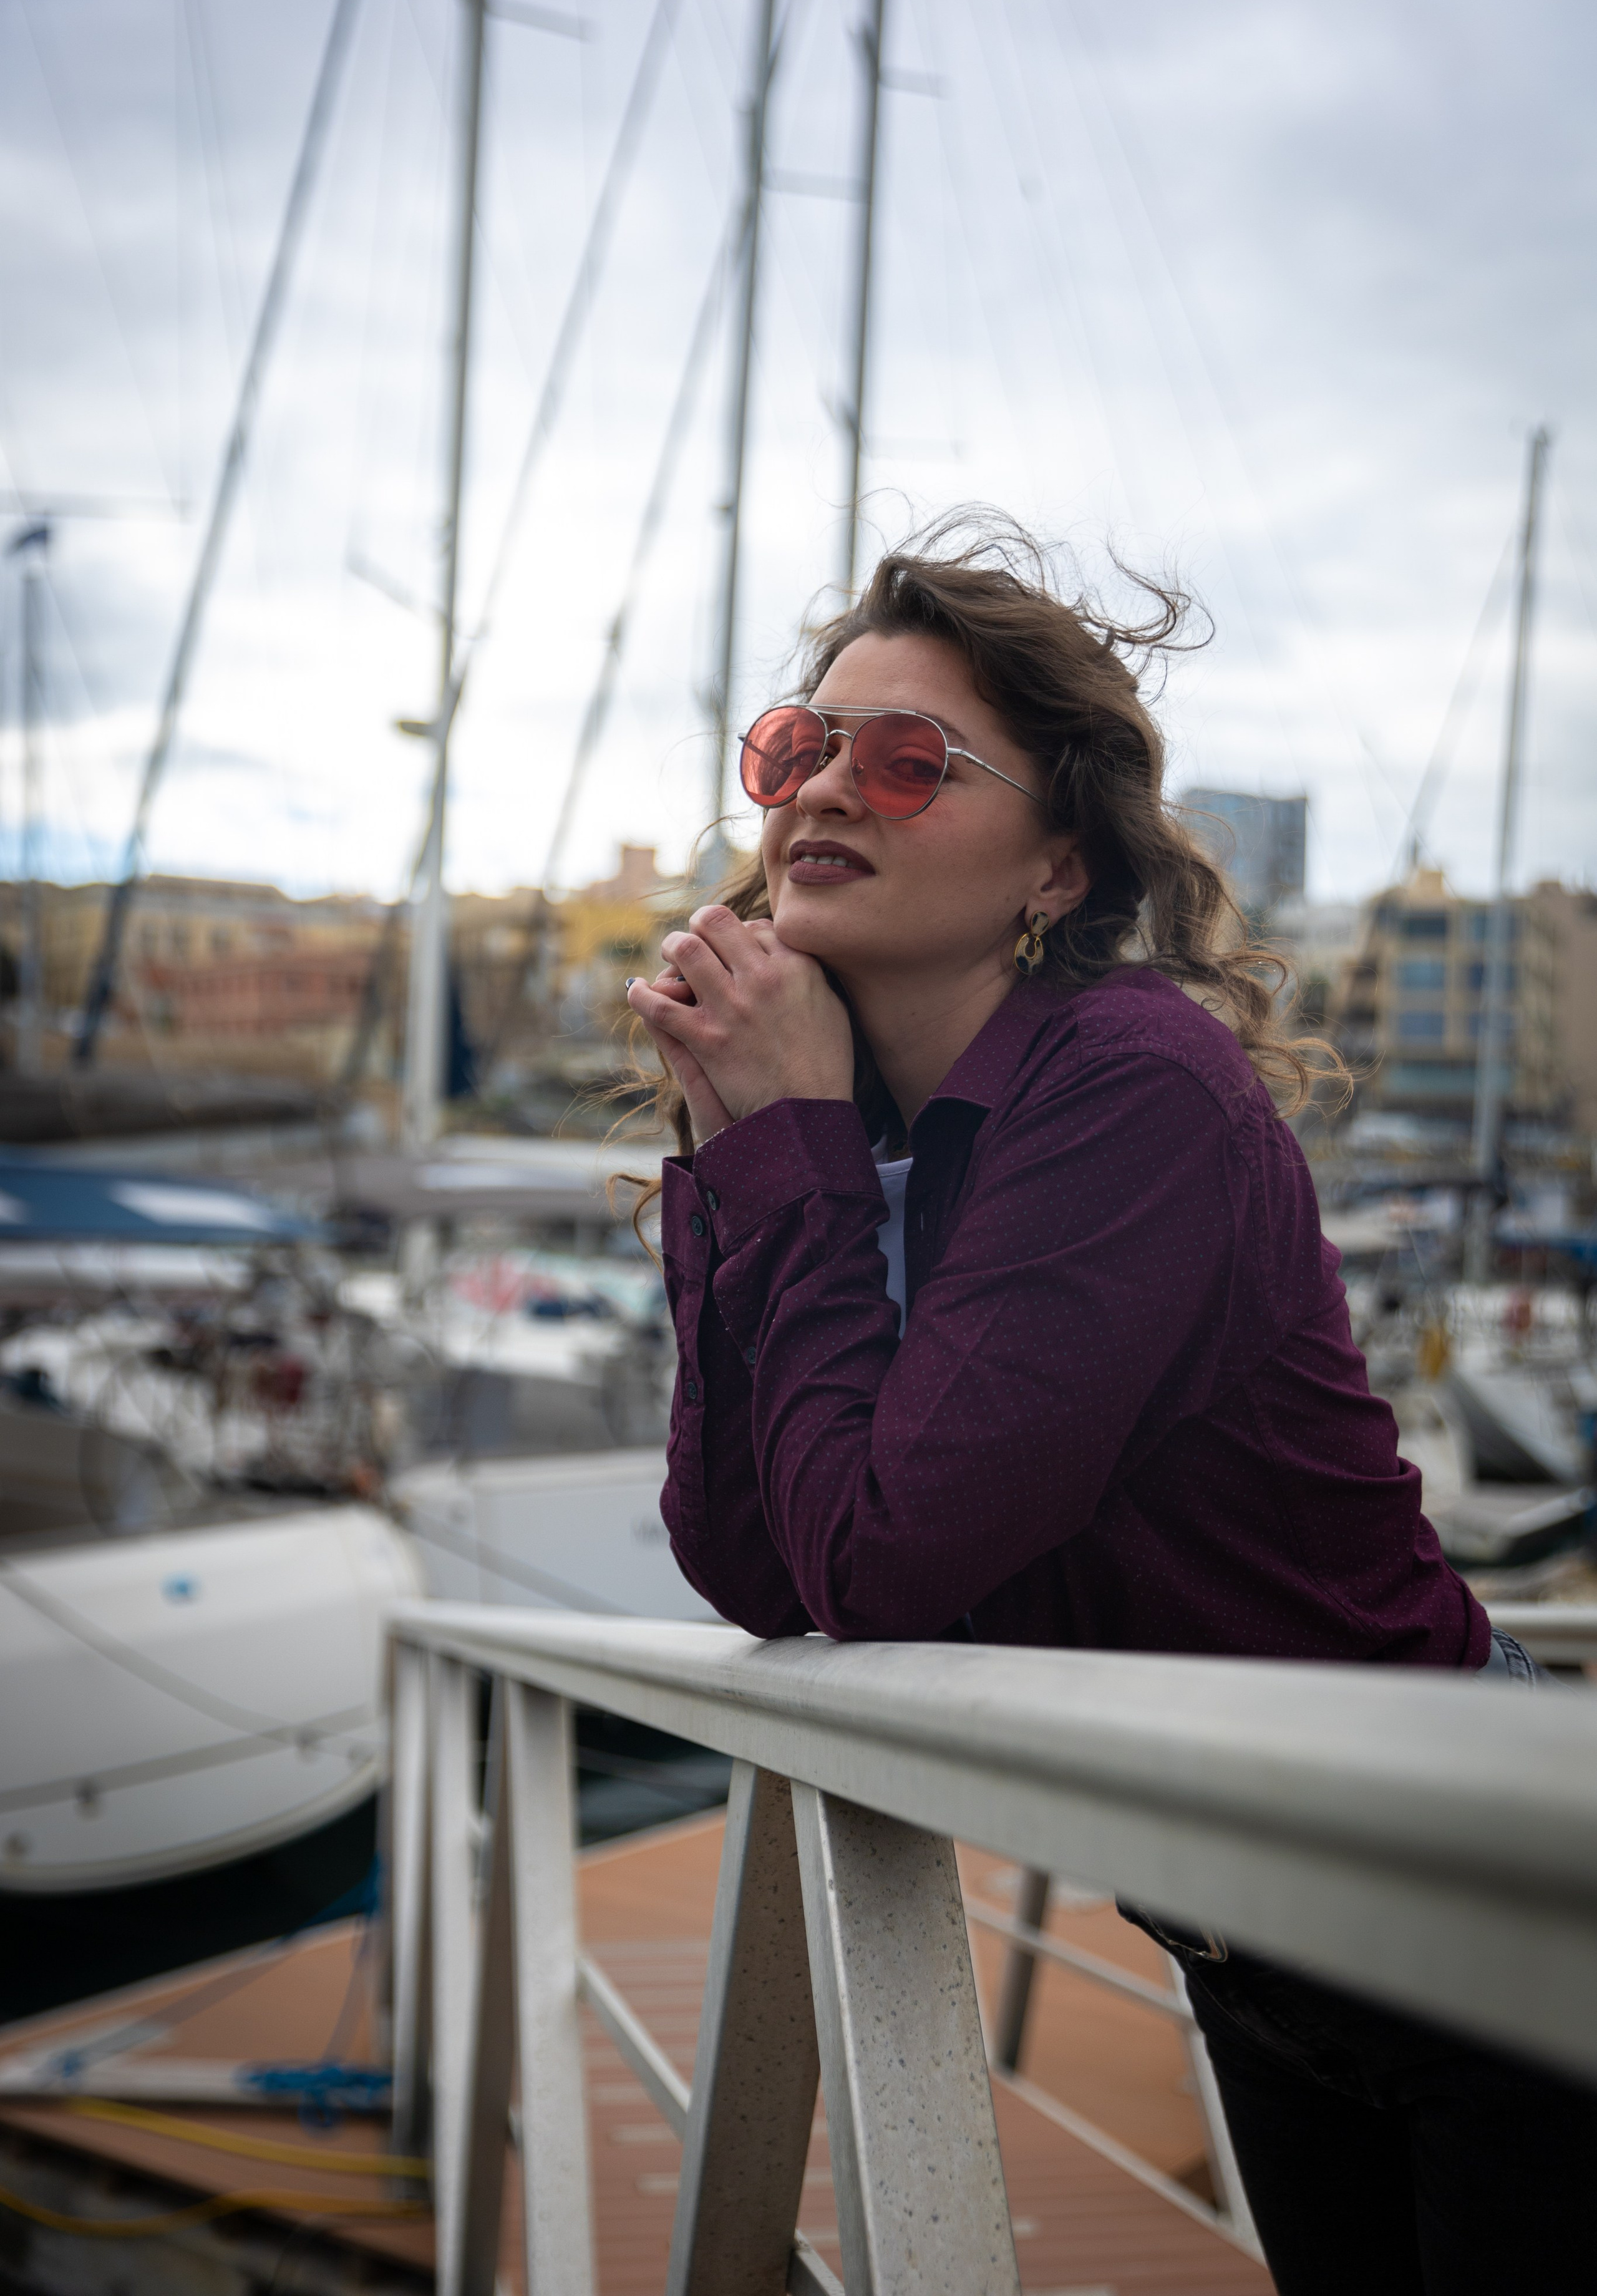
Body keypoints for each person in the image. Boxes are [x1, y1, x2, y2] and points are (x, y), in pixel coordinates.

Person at [623, 517, 1593, 2294]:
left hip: (1466, 1895)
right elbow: (755, 1562)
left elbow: (880, 1561)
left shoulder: (1137, 1089)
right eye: (797, 747)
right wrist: (735, 1146)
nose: (822, 785)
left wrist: (790, 1152)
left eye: (907, 760)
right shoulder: (868, 1135)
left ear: (1057, 869)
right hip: (1241, 1921)